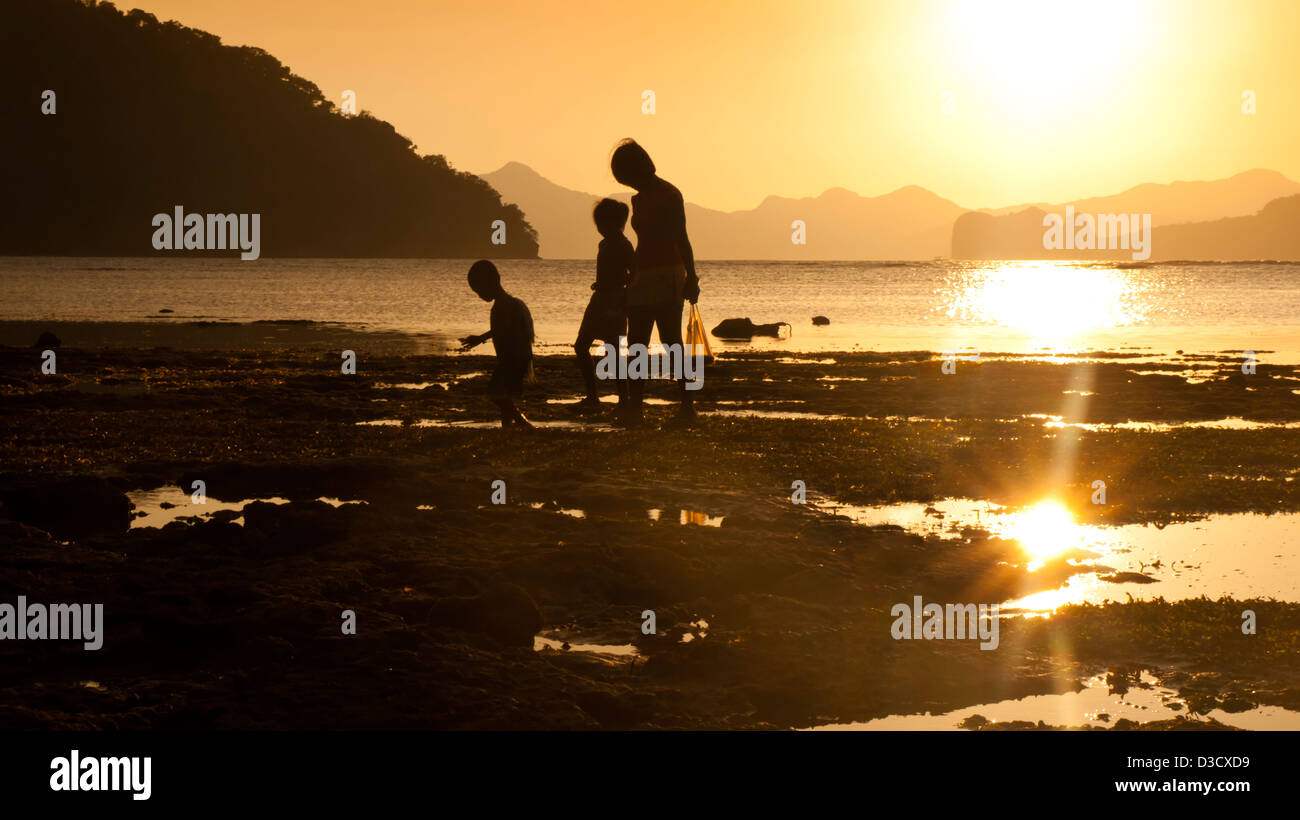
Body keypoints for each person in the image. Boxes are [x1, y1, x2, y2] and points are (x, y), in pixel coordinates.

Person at [609, 138, 701, 426]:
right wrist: (631, 273)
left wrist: (692, 277)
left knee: (671, 341)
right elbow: (644, 243)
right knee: (637, 342)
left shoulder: (669, 195)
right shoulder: (638, 199)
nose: (625, 182)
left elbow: (682, 240)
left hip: (667, 274)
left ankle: (687, 407)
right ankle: (635, 408)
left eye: (624, 175)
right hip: (643, 274)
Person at [573, 198, 634, 412]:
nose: (599, 228)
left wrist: (618, 293)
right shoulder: (605, 243)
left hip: (614, 302)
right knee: (581, 346)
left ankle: (624, 400)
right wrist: (601, 283)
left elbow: (633, 274)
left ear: (612, 222)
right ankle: (593, 397)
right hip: (599, 300)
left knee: (614, 353)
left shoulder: (624, 245)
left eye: (601, 223)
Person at [459, 260, 535, 428]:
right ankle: (507, 428)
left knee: (495, 394)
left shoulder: (505, 305)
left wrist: (479, 339)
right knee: (504, 394)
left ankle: (522, 422)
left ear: (491, 282)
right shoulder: (509, 303)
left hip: (512, 359)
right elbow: (502, 329)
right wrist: (480, 339)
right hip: (514, 358)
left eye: (479, 291)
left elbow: (503, 329)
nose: (479, 295)